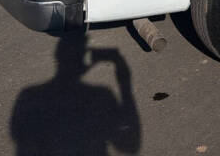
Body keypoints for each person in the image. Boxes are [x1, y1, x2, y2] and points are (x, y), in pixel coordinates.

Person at [10, 34, 141, 155]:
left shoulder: (29, 95)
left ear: (57, 57)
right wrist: (124, 80)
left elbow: (21, 140)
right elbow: (128, 146)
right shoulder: (101, 95)